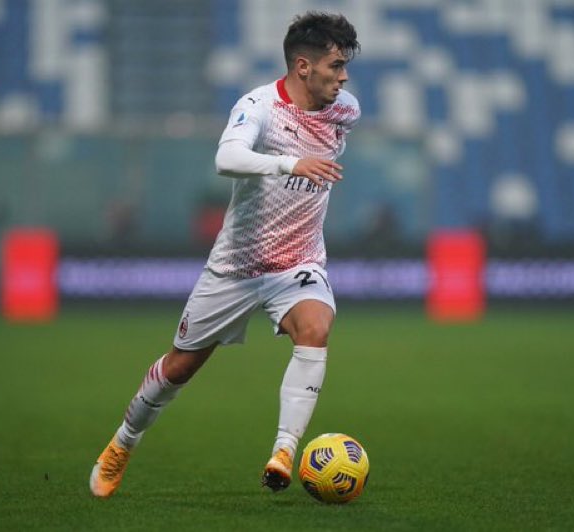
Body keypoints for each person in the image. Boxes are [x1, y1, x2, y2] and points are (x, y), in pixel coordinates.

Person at [90, 11, 361, 498]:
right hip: (235, 266)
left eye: (345, 67)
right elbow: (226, 158)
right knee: (179, 368)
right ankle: (122, 443)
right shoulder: (259, 106)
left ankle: (284, 452)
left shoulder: (345, 110)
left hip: (298, 262)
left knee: (316, 327)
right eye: (336, 66)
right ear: (303, 66)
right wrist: (290, 163)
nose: (343, 78)